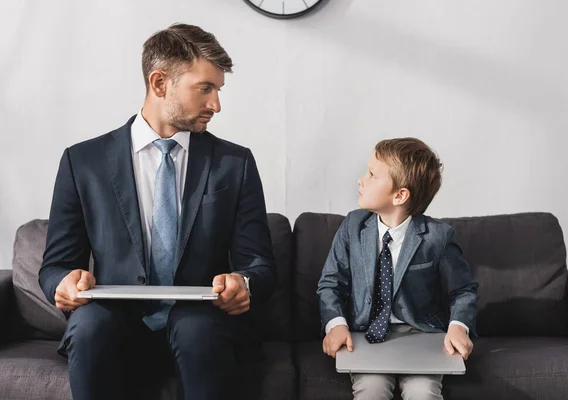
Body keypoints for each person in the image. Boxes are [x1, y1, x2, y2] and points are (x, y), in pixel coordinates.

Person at [38, 23, 276, 400]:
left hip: (201, 330)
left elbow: (260, 264)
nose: (216, 105)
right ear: (160, 83)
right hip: (115, 327)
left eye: (217, 90)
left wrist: (243, 284)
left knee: (196, 328)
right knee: (89, 325)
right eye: (205, 89)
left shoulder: (235, 163)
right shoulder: (82, 162)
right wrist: (62, 285)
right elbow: (54, 267)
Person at [317, 138, 478, 400]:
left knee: (423, 393)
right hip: (366, 334)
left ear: (400, 195)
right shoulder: (353, 226)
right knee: (371, 392)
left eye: (371, 175)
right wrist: (336, 324)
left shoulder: (438, 237)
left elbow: (463, 290)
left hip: (420, 334)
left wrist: (458, 325)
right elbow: (330, 284)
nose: (361, 180)